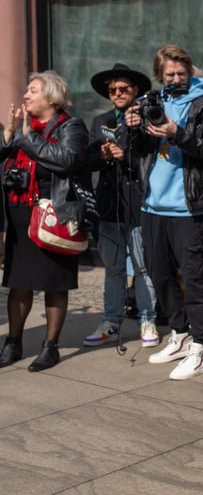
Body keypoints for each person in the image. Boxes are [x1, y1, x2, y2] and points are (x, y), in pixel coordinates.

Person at [125, 44, 203, 380]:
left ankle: (200, 346)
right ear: (159, 75)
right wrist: (133, 126)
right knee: (159, 273)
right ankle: (179, 334)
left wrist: (177, 133)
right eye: (170, 74)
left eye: (182, 73)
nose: (177, 78)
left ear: (190, 71)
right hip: (153, 205)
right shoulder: (153, 102)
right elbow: (137, 152)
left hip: (188, 206)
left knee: (194, 278)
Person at [0, 71, 88, 371]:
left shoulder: (71, 126)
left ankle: (50, 347)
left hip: (54, 215)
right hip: (21, 213)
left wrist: (28, 139)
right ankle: (12, 343)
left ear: (51, 97)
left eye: (33, 90)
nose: (25, 95)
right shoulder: (26, 129)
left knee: (54, 283)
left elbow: (67, 160)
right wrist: (11, 136)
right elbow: (6, 159)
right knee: (18, 282)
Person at [83, 63, 159, 348]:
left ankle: (147, 318)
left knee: (142, 266)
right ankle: (111, 321)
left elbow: (148, 158)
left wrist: (123, 154)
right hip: (109, 204)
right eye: (113, 89)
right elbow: (87, 160)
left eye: (123, 88)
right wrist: (103, 154)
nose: (117, 93)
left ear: (135, 90)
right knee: (113, 268)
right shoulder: (99, 121)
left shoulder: (145, 120)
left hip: (138, 203)